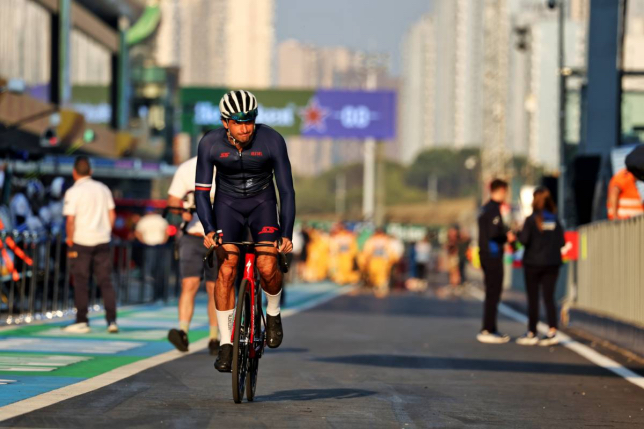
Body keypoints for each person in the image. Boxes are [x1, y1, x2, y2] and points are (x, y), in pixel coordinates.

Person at [195, 90, 295, 372]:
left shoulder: (272, 140)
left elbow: (286, 191)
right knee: (226, 269)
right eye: (238, 122)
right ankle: (226, 344)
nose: (245, 128)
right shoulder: (209, 144)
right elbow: (202, 193)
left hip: (263, 202)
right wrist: (209, 229)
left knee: (266, 265)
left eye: (249, 121)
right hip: (227, 206)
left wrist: (286, 232)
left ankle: (273, 312)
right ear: (225, 122)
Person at [166, 156, 220, 355]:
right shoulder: (187, 167)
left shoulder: (228, 163)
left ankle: (214, 336)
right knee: (188, 284)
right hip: (192, 235)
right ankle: (183, 332)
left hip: (218, 236)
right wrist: (180, 210)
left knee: (214, 287)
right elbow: (172, 198)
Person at [62, 156, 118, 334]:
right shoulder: (103, 189)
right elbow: (112, 215)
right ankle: (111, 320)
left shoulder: (73, 192)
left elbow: (70, 220)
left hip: (81, 241)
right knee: (105, 281)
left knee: (81, 281)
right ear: (91, 172)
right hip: (102, 240)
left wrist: (69, 238)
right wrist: (106, 231)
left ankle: (82, 321)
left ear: (74, 172)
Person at [516, 187, 565, 346]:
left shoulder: (531, 220)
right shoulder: (555, 219)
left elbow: (523, 240)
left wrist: (516, 233)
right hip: (552, 263)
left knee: (533, 299)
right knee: (549, 298)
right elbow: (562, 242)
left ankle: (532, 332)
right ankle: (552, 331)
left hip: (533, 264)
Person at [476, 179, 515, 344]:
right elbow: (493, 233)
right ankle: (487, 329)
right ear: (501, 190)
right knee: (493, 292)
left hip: (487, 254)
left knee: (492, 292)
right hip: (492, 255)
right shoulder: (493, 210)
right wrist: (507, 236)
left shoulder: (485, 208)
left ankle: (491, 327)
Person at [134, 209, 169, 301]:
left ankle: (149, 294)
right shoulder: (161, 219)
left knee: (149, 270)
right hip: (160, 247)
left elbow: (137, 233)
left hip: (148, 247)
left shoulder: (143, 220)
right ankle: (160, 294)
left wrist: (144, 242)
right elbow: (167, 232)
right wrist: (163, 242)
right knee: (160, 270)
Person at [361, 227, 397, 297]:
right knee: (373, 275)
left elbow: (390, 251)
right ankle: (377, 287)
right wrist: (366, 259)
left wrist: (391, 259)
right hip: (374, 261)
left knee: (382, 276)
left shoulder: (386, 240)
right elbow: (367, 250)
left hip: (382, 262)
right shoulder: (372, 240)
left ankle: (381, 288)